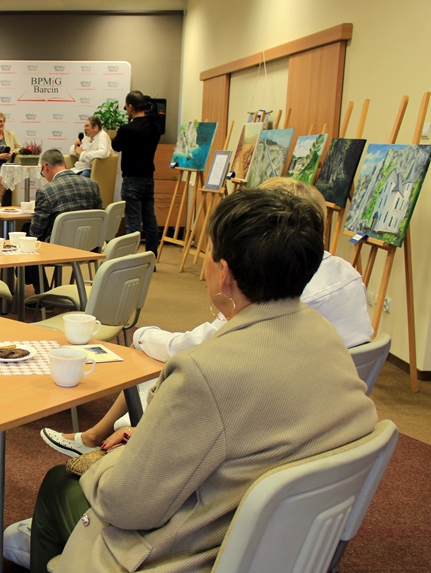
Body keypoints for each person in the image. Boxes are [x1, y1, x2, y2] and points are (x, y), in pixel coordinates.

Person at [27, 187, 377, 573]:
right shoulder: (326, 338)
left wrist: (109, 459)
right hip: (277, 554)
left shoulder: (204, 371)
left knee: (59, 484)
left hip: (190, 566)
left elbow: (126, 505)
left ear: (224, 272)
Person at [40, 177, 374, 458]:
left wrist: (143, 335)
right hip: (315, 416)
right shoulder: (345, 277)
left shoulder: (267, 302)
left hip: (259, 416)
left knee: (156, 364)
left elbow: (198, 348)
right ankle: (95, 436)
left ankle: (98, 439)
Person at [27, 149, 103, 293]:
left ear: (45, 167)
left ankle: (42, 291)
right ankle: (30, 278)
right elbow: (100, 216)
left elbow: (36, 231)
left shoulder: (46, 190)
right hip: (90, 247)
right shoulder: (92, 184)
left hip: (59, 249)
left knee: (27, 236)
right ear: (65, 165)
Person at [111, 91, 161, 254]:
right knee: (150, 221)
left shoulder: (127, 129)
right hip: (148, 179)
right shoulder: (154, 127)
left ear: (131, 107)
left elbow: (116, 146)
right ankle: (151, 257)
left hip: (132, 180)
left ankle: (132, 259)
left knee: (133, 224)